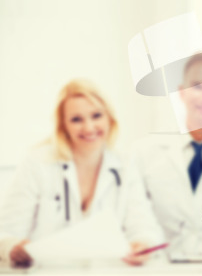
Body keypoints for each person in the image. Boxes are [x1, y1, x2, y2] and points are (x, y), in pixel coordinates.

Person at [0, 79, 164, 267]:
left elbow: (145, 227)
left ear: (109, 118)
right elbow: (5, 233)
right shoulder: (37, 163)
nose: (89, 127)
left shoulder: (124, 165)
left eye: (96, 116)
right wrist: (14, 248)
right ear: (63, 126)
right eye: (76, 119)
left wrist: (142, 245)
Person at [135, 52, 202, 260]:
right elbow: (135, 214)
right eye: (197, 86)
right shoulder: (144, 152)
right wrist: (142, 243)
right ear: (181, 92)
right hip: (161, 268)